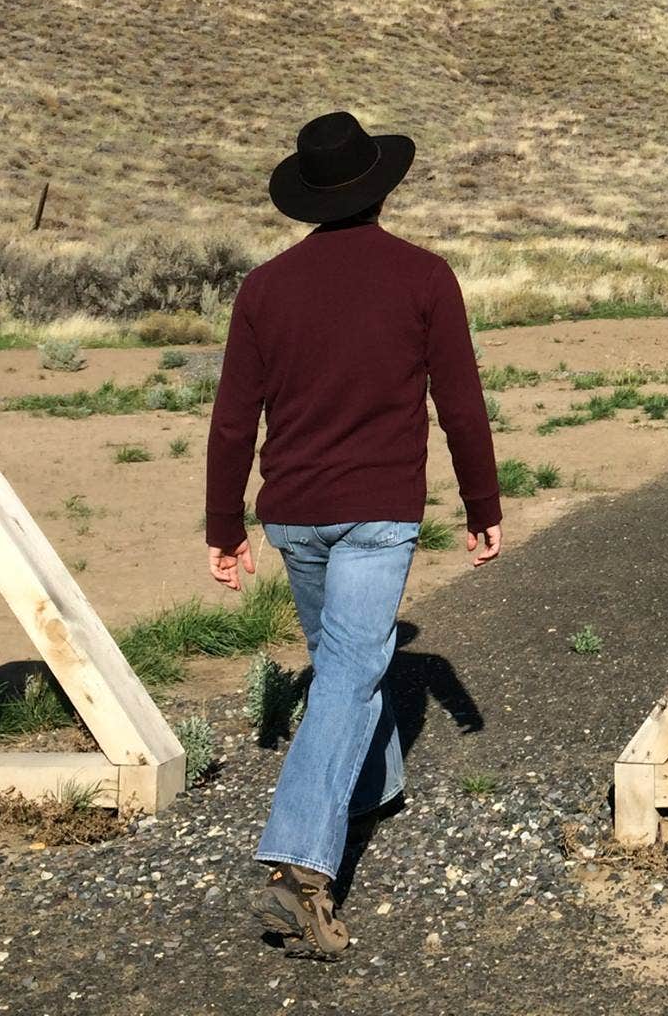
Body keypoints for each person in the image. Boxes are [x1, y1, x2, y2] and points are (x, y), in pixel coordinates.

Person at [203, 110, 503, 959]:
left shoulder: (263, 290)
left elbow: (233, 425)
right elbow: (462, 405)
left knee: (346, 664)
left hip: (292, 513)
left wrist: (226, 524)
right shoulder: (424, 276)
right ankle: (299, 861)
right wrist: (483, 504)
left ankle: (371, 790)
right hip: (379, 514)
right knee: (347, 666)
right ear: (379, 186)